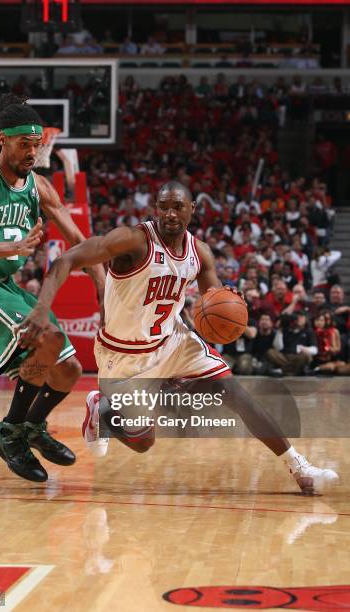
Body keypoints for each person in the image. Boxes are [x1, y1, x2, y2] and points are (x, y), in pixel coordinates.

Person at [20, 182, 338, 495]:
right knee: (144, 443)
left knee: (236, 392)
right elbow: (66, 260)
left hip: (174, 341)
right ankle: (101, 411)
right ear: (156, 208)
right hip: (124, 354)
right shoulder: (132, 241)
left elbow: (213, 300)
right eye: (164, 207)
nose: (170, 214)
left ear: (192, 210)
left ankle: (299, 467)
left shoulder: (199, 252)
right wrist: (40, 308)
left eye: (178, 207)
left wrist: (232, 302)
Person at [0, 94, 105, 483]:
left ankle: (29, 427)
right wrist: (14, 247)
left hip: (2, 282)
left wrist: (102, 282)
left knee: (67, 368)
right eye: (24, 144)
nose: (33, 152)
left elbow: (79, 242)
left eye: (37, 144)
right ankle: (10, 432)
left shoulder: (40, 187)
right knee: (44, 340)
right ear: (3, 140)